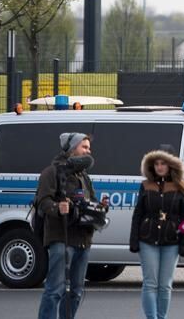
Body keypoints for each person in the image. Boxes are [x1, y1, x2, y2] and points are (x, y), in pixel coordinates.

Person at [35, 132, 108, 319]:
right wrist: (57, 207)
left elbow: (89, 201)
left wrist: (99, 207)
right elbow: (42, 202)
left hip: (83, 239)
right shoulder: (51, 172)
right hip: (61, 238)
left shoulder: (83, 176)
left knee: (76, 292)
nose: (88, 151)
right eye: (84, 147)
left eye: (88, 147)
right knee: (55, 290)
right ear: (71, 148)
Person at [130, 150, 184, 319]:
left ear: (170, 165)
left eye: (163, 163)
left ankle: (161, 317)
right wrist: (134, 240)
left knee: (165, 285)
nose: (159, 167)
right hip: (147, 240)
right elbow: (138, 214)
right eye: (156, 164)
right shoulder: (145, 185)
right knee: (150, 283)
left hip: (171, 242)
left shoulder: (180, 186)